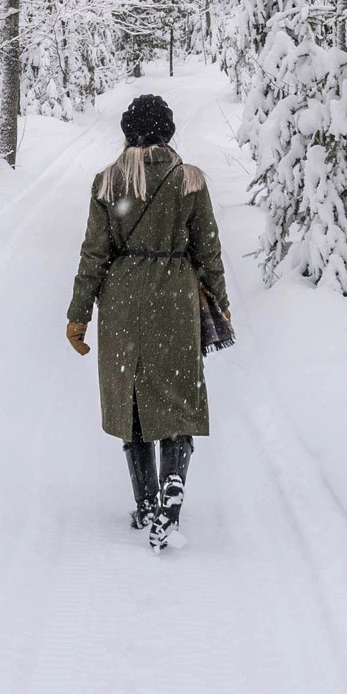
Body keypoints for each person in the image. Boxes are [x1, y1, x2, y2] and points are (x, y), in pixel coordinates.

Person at [66, 94, 229, 552]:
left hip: (122, 303)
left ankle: (146, 503)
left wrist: (79, 315)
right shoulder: (189, 180)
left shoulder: (108, 181)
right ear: (168, 133)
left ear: (128, 132)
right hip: (175, 300)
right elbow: (208, 250)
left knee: (133, 402)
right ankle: (172, 491)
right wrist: (221, 302)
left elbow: (93, 255)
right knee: (176, 399)